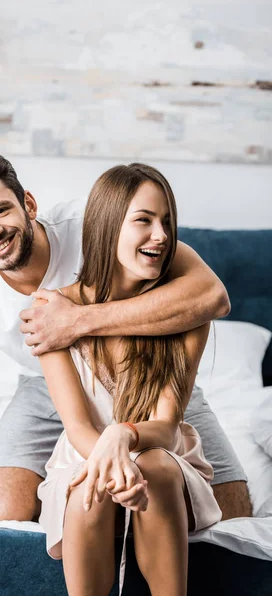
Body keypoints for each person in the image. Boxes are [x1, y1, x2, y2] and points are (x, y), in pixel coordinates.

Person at [0, 152, 251, 524]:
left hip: (142, 371)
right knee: (1, 512)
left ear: (28, 204)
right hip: (43, 384)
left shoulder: (94, 221)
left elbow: (211, 296)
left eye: (0, 211)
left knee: (231, 511)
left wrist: (78, 320)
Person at [35, 163, 222, 596]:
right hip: (83, 454)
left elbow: (165, 426)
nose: (161, 235)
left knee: (153, 467)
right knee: (91, 482)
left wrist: (123, 435)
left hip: (159, 452)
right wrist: (114, 461)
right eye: (144, 220)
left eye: (167, 222)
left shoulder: (184, 311)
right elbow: (79, 428)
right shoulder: (52, 313)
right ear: (107, 226)